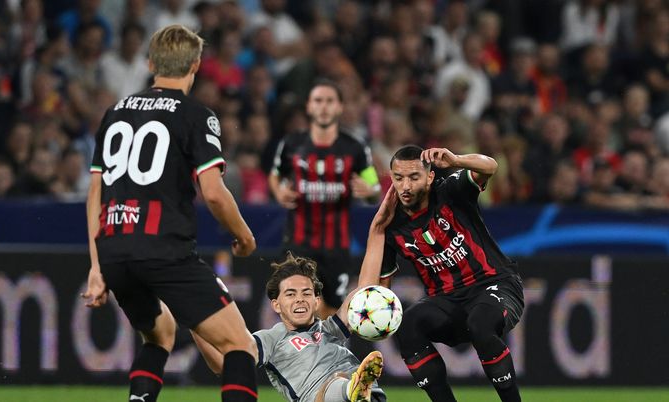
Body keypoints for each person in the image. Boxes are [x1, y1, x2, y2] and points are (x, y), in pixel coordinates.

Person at [82, 25, 258, 402]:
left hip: (115, 251)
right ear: (195, 65)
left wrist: (97, 268)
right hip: (164, 250)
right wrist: (243, 235)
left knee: (160, 333)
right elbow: (213, 193)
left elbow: (94, 194)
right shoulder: (197, 115)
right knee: (240, 347)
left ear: (150, 63)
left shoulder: (115, 113)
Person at [193, 190, 400, 402]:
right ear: (276, 305)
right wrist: (195, 324)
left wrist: (377, 229)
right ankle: (351, 389)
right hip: (321, 395)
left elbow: (364, 289)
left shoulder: (330, 329)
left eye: (306, 293)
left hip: (368, 394)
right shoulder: (270, 339)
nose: (300, 298)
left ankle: (357, 389)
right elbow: (223, 364)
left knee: (348, 379)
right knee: (338, 380)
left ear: (316, 301)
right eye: (290, 294)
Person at [358, 145, 524, 402]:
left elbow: (491, 166)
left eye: (414, 177)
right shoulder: (392, 225)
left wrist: (457, 160)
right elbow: (369, 296)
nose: (405, 186)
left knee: (480, 324)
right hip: (448, 303)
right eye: (398, 178)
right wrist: (376, 228)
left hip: (496, 285)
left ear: (430, 177)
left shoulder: (451, 190)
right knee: (409, 325)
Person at [269, 79, 380, 319]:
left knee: (331, 313)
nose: (324, 107)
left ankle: (326, 356)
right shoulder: (291, 144)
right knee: (296, 308)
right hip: (298, 243)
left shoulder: (355, 148)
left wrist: (369, 190)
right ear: (309, 107)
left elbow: (375, 187)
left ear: (340, 107)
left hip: (336, 246)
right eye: (318, 101)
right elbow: (275, 176)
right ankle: (295, 356)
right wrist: (278, 192)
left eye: (330, 101)